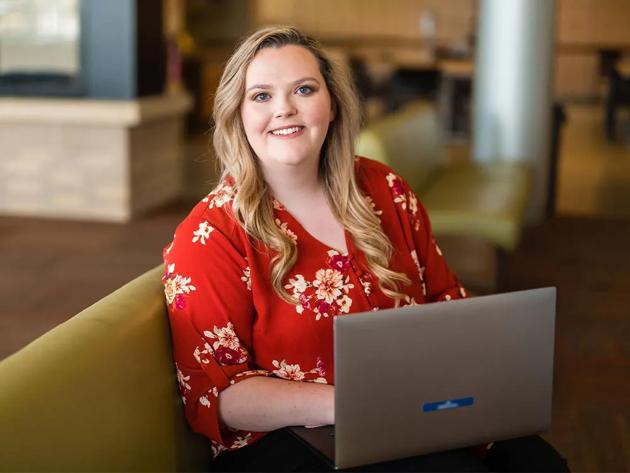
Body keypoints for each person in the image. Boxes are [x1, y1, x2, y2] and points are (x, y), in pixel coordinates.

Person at [162, 25, 569, 472]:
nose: (284, 109)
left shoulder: (384, 190)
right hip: (291, 439)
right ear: (236, 114)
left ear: (332, 105)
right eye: (260, 96)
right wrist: (354, 405)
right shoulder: (212, 234)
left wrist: (464, 390)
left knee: (540, 464)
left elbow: (445, 303)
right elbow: (219, 395)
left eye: (304, 89)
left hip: (413, 409)